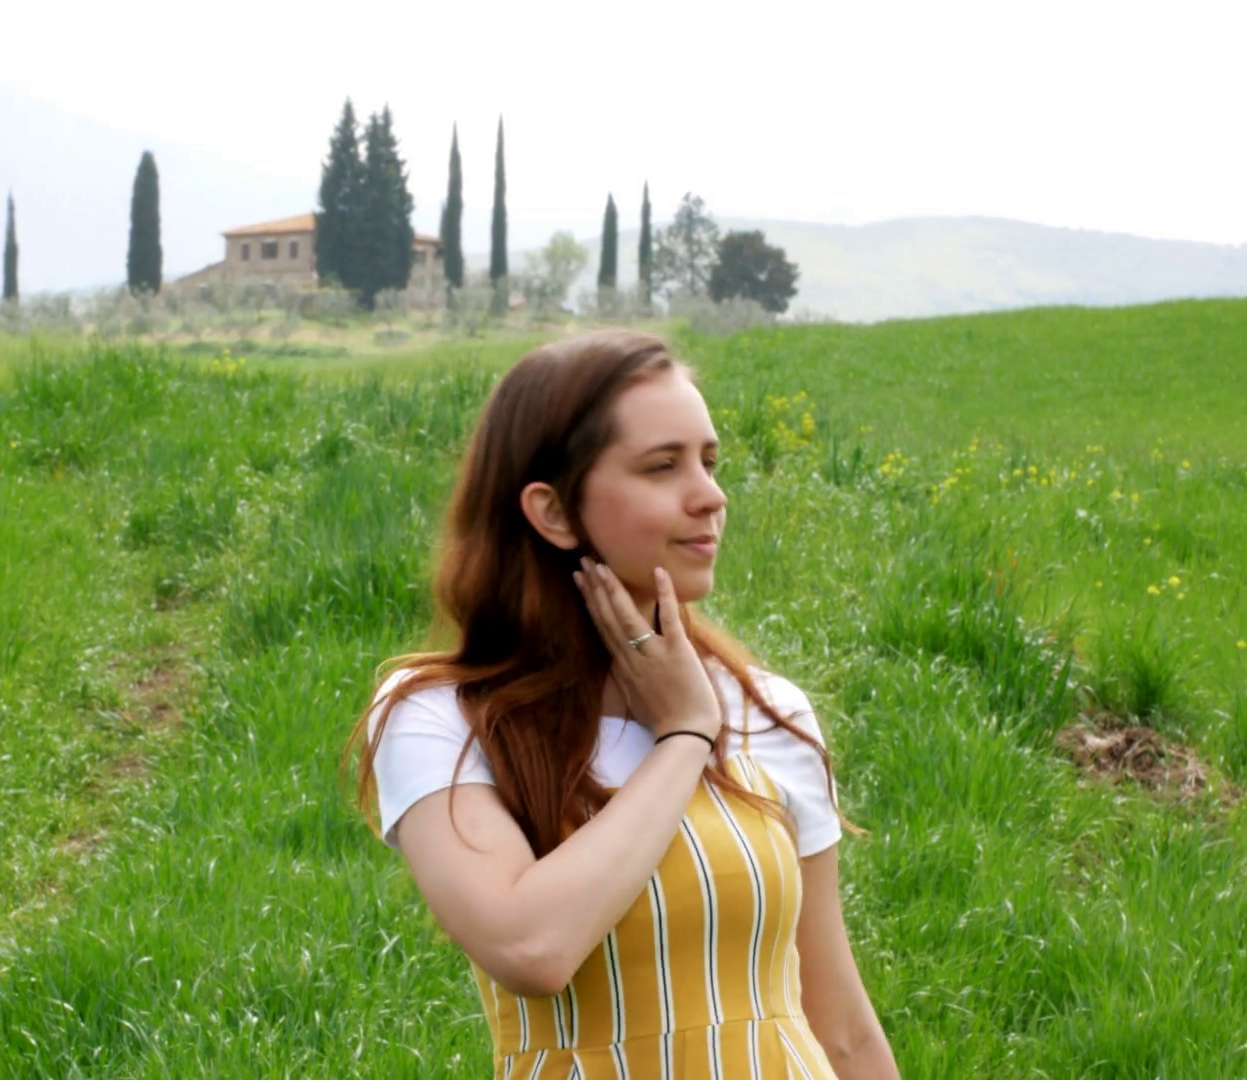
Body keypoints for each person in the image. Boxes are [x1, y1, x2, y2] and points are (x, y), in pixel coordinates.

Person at [350, 330, 898, 1078]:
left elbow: (841, 1027)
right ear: (553, 512)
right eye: (662, 466)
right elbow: (531, 948)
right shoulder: (442, 718)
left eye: (709, 462)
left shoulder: (770, 710)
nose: (711, 496)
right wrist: (685, 735)